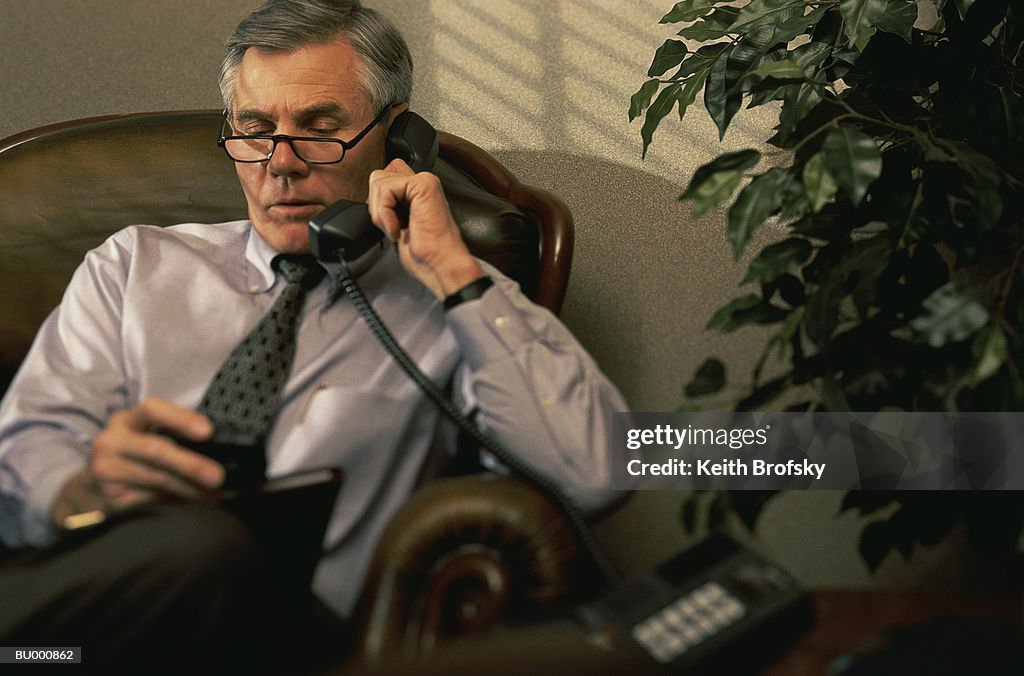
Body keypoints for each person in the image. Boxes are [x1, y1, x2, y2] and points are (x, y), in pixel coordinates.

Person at [0, 0, 629, 670]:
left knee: (211, 544)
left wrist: (454, 274)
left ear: (397, 138)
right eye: (254, 129)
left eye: (320, 130)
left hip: (274, 642)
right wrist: (78, 491)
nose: (281, 164)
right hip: (80, 634)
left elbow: (596, 473)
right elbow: (27, 445)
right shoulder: (133, 264)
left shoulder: (453, 306)